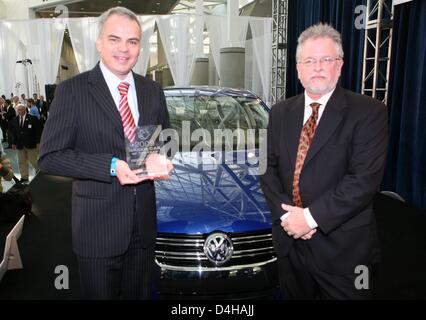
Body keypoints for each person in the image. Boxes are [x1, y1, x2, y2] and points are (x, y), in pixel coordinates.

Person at [38, 6, 173, 299]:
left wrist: (160, 157)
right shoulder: (73, 91)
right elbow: (49, 156)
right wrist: (111, 166)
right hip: (97, 230)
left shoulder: (152, 91)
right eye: (115, 39)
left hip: (143, 229)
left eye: (133, 41)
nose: (124, 49)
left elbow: (165, 141)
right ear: (98, 42)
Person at [260, 23, 388, 300]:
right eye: (309, 61)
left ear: (339, 65)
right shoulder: (280, 113)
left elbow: (364, 181)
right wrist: (288, 218)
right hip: (290, 245)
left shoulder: (369, 112)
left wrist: (308, 218)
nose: (317, 67)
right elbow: (264, 167)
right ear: (298, 68)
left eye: (326, 60)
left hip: (343, 252)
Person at [12, 104, 40, 183]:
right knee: (21, 161)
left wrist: (38, 142)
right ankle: (24, 177)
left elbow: (38, 131)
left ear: (25, 109)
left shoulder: (33, 118)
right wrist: (13, 143)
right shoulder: (15, 119)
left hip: (31, 143)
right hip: (20, 145)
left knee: (33, 160)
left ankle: (41, 173)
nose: (20, 111)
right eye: (18, 110)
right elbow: (14, 133)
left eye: (21, 109)